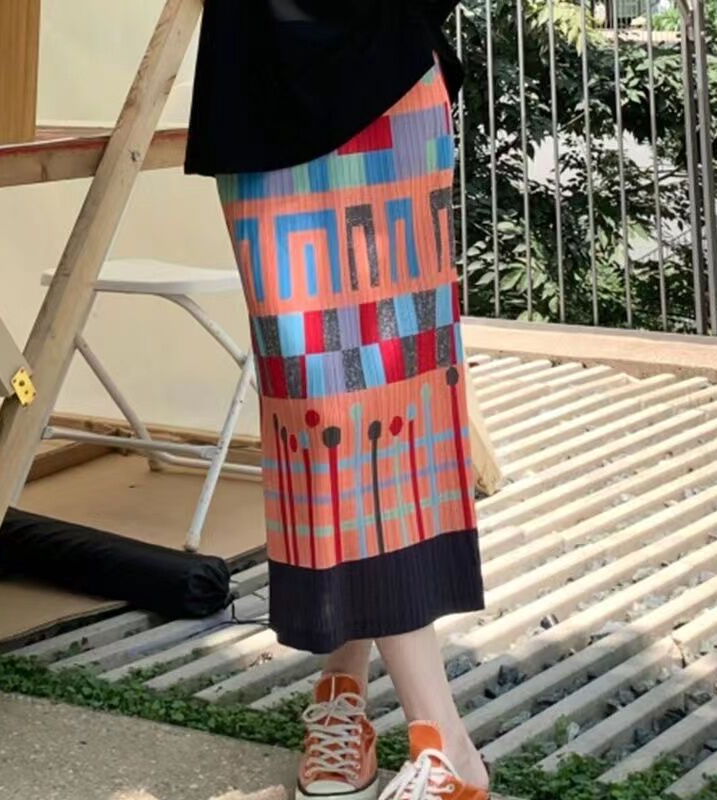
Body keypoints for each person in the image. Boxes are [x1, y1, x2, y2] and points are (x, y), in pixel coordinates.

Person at [185, 2, 488, 798]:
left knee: (386, 409)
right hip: (260, 94)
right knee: (317, 414)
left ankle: (446, 749)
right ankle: (349, 690)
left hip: (386, 87)